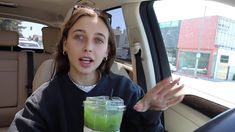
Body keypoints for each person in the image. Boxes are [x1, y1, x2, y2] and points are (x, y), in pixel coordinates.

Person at [9, 5, 184, 132]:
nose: (88, 47)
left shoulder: (127, 90)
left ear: (107, 51)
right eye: (79, 37)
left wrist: (150, 113)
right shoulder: (44, 99)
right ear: (65, 45)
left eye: (98, 40)